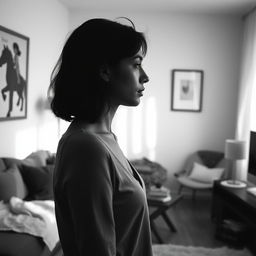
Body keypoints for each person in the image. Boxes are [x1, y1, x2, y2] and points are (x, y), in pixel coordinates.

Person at [49, 18, 152, 256]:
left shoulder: (105, 138)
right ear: (105, 70)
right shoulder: (86, 147)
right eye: (136, 64)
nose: (145, 76)